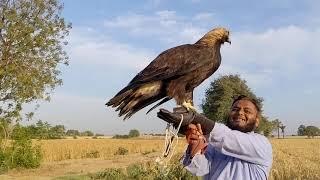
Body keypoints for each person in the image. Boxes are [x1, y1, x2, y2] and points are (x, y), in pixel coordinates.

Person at [157, 95, 273, 180]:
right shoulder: (214, 143)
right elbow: (199, 169)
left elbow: (229, 139)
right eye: (235, 109)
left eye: (247, 111)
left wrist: (198, 120)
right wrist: (194, 144)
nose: (240, 113)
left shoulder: (262, 144)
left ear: (257, 121)